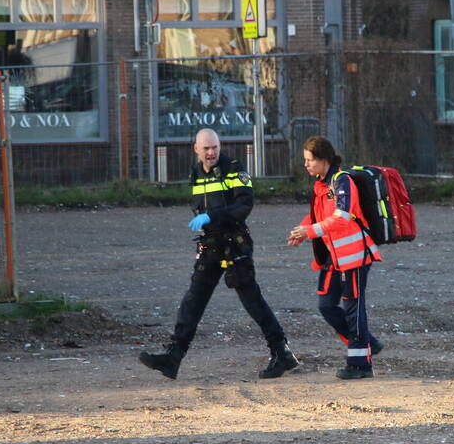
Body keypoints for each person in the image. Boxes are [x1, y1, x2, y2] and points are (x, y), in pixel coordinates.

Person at [139, 128, 299, 380]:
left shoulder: (233, 169)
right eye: (206, 148)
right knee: (193, 300)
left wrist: (211, 216)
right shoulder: (196, 173)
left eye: (215, 147)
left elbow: (244, 205)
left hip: (234, 245)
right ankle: (173, 357)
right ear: (196, 149)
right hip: (210, 245)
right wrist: (205, 222)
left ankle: (282, 352)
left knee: (252, 301)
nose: (211, 152)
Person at [287, 136, 384, 379]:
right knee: (327, 306)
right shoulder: (322, 184)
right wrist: (302, 231)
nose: (306, 165)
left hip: (355, 256)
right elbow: (318, 215)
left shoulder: (343, 181)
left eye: (310, 160)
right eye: (305, 160)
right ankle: (368, 344)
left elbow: (342, 217)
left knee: (353, 309)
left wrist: (309, 231)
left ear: (324, 160)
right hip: (336, 257)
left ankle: (360, 365)